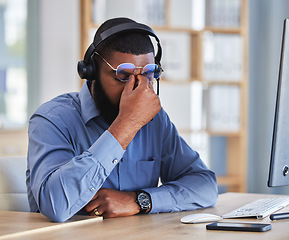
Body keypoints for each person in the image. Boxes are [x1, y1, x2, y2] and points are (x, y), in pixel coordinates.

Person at [26, 17, 218, 223]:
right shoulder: (52, 119)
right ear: (92, 72)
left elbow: (205, 186)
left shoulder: (155, 121)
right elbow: (55, 205)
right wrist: (127, 124)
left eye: (148, 74)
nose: (136, 88)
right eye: (123, 76)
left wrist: (139, 200)